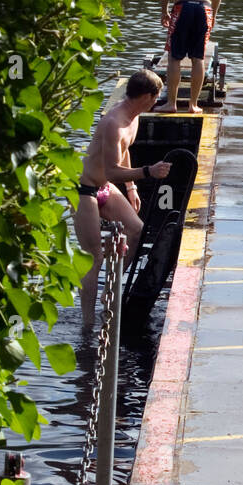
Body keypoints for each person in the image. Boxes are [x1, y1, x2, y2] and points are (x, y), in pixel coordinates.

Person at [74, 70, 171, 329]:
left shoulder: (134, 116)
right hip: (86, 191)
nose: (157, 102)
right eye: (156, 97)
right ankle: (87, 324)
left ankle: (110, 290)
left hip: (106, 188)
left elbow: (123, 156)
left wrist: (131, 188)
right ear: (146, 96)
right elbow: (112, 169)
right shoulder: (113, 123)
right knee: (93, 257)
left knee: (137, 230)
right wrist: (148, 172)